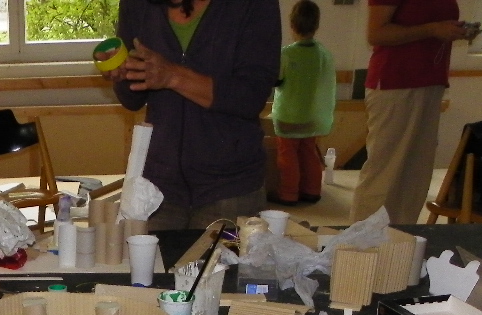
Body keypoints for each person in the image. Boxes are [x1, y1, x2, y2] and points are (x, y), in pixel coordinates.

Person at [109, 0, 280, 231]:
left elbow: (251, 97)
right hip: (157, 188)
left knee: (221, 257)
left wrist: (173, 76)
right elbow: (132, 100)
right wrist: (122, 74)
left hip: (230, 187)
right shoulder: (137, 4)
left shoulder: (254, 5)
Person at [349, 0, 478, 223]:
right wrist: (432, 29)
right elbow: (376, 33)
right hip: (396, 83)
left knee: (415, 176)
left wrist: (455, 31)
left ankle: (402, 236)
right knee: (385, 173)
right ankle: (363, 240)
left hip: (430, 82)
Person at [270, 0, 336, 206]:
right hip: (312, 117)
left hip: (288, 117)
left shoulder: (287, 54)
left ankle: (288, 194)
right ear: (316, 26)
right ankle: (312, 191)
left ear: (292, 25)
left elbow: (277, 80)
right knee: (309, 153)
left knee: (287, 155)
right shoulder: (322, 54)